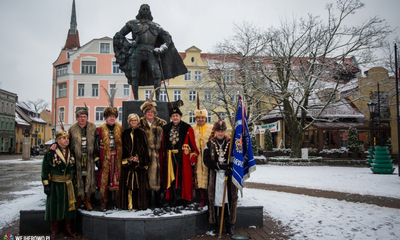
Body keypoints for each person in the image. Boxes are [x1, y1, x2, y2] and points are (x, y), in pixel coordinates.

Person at [113, 4, 187, 100]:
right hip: (137, 51)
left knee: (157, 74)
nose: (145, 11)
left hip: (151, 52)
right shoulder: (132, 23)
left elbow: (167, 39)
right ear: (139, 11)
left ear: (149, 12)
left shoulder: (155, 26)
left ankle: (157, 99)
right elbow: (119, 36)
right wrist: (131, 43)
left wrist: (161, 49)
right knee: (134, 75)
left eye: (147, 9)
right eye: (143, 9)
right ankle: (136, 99)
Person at [203, 116, 238, 236]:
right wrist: (218, 166)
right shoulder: (210, 143)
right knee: (215, 200)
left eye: (222, 131)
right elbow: (206, 160)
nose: (220, 133)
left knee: (229, 199)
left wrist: (230, 168)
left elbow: (235, 158)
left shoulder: (231, 143)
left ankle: (229, 225)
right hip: (216, 176)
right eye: (218, 131)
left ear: (225, 131)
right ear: (215, 131)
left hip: (228, 178)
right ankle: (217, 225)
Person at [160, 106, 199, 207]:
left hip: (182, 158)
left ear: (180, 116)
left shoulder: (187, 128)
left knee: (181, 179)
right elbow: (163, 144)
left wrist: (193, 157)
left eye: (177, 115)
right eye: (173, 116)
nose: (175, 117)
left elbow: (192, 145)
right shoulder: (166, 128)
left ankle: (181, 198)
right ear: (171, 117)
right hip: (169, 157)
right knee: (171, 178)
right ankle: (172, 197)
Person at [41, 128, 77, 240]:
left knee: (69, 207)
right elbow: (45, 169)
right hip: (56, 184)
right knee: (55, 207)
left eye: (67, 138)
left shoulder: (72, 152)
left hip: (69, 184)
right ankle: (55, 230)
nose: (66, 140)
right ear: (57, 140)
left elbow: (74, 168)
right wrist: (46, 185)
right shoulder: (51, 153)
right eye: (63, 138)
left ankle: (68, 228)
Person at [137, 89, 167, 208]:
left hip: (158, 155)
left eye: (152, 112)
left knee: (158, 178)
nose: (150, 114)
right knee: (146, 179)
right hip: (145, 155)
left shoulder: (162, 123)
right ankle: (148, 200)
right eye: (148, 112)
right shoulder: (139, 124)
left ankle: (159, 201)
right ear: (144, 113)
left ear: (155, 113)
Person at [68, 106, 100, 211]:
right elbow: (66, 143)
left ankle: (87, 200)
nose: (82, 119)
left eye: (84, 116)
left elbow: (97, 143)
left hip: (89, 159)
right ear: (77, 118)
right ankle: (78, 199)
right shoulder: (72, 129)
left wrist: (96, 157)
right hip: (77, 159)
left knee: (89, 179)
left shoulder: (92, 127)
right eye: (80, 117)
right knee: (78, 179)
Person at [96, 99, 123, 211]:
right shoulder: (99, 130)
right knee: (105, 181)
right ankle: (104, 203)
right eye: (109, 116)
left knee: (117, 180)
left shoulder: (120, 129)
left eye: (113, 116)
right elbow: (95, 146)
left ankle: (117, 203)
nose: (112, 118)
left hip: (116, 158)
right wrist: (97, 159)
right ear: (105, 118)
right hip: (105, 158)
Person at [118, 113, 150, 210]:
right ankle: (127, 205)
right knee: (127, 184)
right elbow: (122, 148)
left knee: (139, 184)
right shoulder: (125, 133)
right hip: (127, 163)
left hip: (138, 164)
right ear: (129, 122)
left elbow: (145, 148)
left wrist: (138, 158)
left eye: (135, 120)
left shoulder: (142, 132)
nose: (133, 122)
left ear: (138, 121)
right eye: (132, 120)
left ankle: (138, 205)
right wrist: (128, 158)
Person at [191, 99, 213, 207]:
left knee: (209, 179)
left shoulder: (211, 128)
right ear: (196, 118)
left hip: (208, 158)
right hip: (197, 158)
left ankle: (210, 199)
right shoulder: (192, 129)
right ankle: (202, 199)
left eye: (202, 118)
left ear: (205, 118)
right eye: (199, 118)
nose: (200, 119)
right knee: (198, 180)